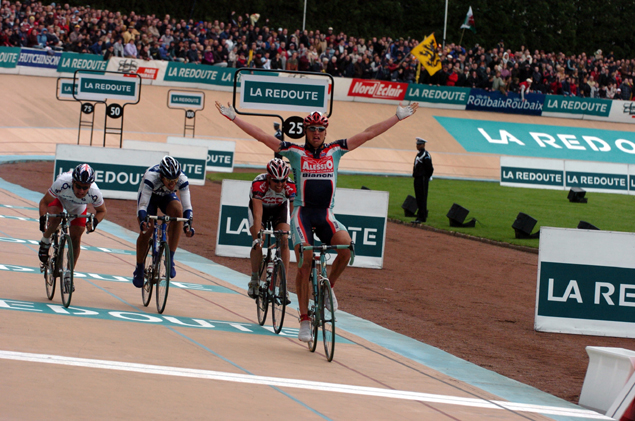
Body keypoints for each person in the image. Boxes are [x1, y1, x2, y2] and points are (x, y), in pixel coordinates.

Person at [215, 100, 418, 342]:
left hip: (325, 214)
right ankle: (303, 319)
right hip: (302, 214)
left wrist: (396, 117)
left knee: (345, 247)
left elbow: (368, 134)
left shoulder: (336, 150)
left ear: (325, 132)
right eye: (312, 129)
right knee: (305, 261)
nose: (316, 133)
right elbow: (261, 136)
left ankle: (327, 289)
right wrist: (234, 117)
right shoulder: (294, 152)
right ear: (305, 131)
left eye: (320, 129)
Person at [38, 164, 107, 291]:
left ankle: (69, 273)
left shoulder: (95, 192)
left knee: (76, 237)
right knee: (56, 218)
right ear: (73, 182)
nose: (81, 191)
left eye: (85, 188)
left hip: (78, 206)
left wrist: (94, 222)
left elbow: (102, 211)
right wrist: (42, 220)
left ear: (90, 186)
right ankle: (45, 240)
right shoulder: (62, 183)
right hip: (60, 200)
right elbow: (44, 202)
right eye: (78, 186)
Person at [132, 156, 195, 288]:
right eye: (169, 181)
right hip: (150, 198)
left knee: (178, 212)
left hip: (166, 197)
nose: (173, 184)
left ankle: (170, 258)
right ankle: (139, 267)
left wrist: (188, 225)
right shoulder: (151, 177)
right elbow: (143, 205)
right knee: (147, 229)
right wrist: (143, 220)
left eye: (175, 181)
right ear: (161, 176)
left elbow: (187, 206)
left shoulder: (182, 179)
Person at [247, 158, 296, 298]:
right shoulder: (258, 184)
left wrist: (295, 233)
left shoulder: (291, 186)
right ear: (268, 178)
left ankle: (283, 285)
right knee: (259, 240)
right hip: (260, 210)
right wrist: (258, 237)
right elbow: (257, 215)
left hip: (279, 210)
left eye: (283, 180)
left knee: (285, 240)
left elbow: (293, 214)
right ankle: (255, 279)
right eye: (276, 181)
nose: (280, 184)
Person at [412, 137, 434, 224]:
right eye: (417, 144)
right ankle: (420, 215)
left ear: (423, 145)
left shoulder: (425, 155)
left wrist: (427, 176)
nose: (417, 146)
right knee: (418, 197)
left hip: (422, 178)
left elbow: (429, 167)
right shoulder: (419, 154)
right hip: (418, 178)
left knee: (422, 197)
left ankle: (422, 216)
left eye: (419, 144)